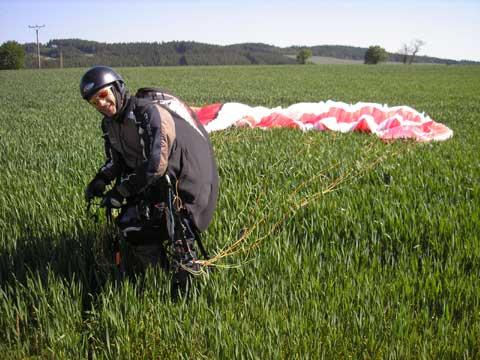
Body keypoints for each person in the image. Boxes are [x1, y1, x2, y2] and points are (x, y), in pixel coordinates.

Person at [80, 66, 219, 295]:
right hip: (151, 182)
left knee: (178, 232)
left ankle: (189, 291)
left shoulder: (149, 113)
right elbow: (115, 161)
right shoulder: (110, 125)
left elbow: (156, 165)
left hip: (181, 182)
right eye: (95, 102)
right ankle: (158, 278)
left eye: (104, 96)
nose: (101, 104)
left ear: (117, 89)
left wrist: (121, 192)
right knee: (133, 225)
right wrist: (101, 179)